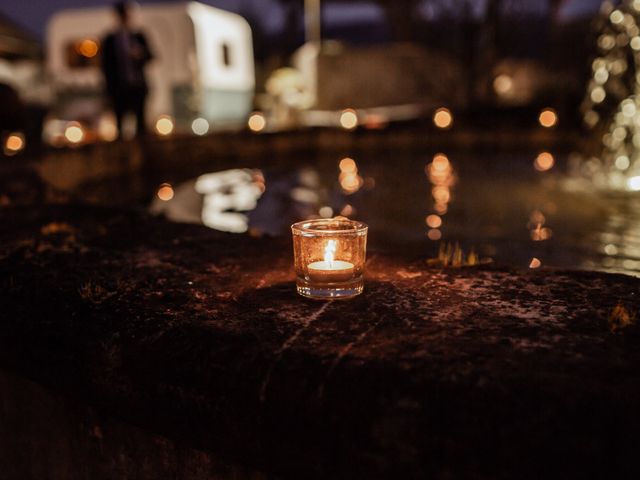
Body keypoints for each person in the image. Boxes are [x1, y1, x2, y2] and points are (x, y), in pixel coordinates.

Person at [101, 1, 153, 139]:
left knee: (141, 123)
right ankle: (122, 156)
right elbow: (105, 65)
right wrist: (108, 87)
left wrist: (141, 55)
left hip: (138, 85)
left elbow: (151, 56)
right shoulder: (110, 39)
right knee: (120, 123)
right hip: (119, 87)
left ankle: (143, 154)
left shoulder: (138, 36)